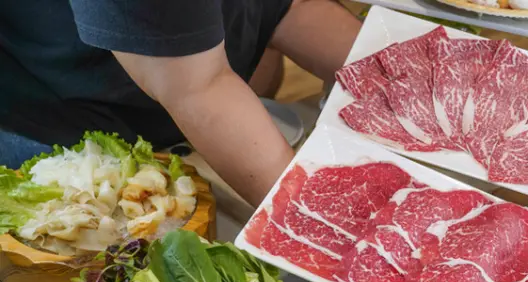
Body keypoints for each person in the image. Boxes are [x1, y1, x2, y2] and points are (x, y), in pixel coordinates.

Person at [0, 0, 361, 206]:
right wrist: (323, 227)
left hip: (193, 85)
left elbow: (292, 5)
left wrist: (385, 81)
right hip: (67, 124)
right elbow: (198, 88)